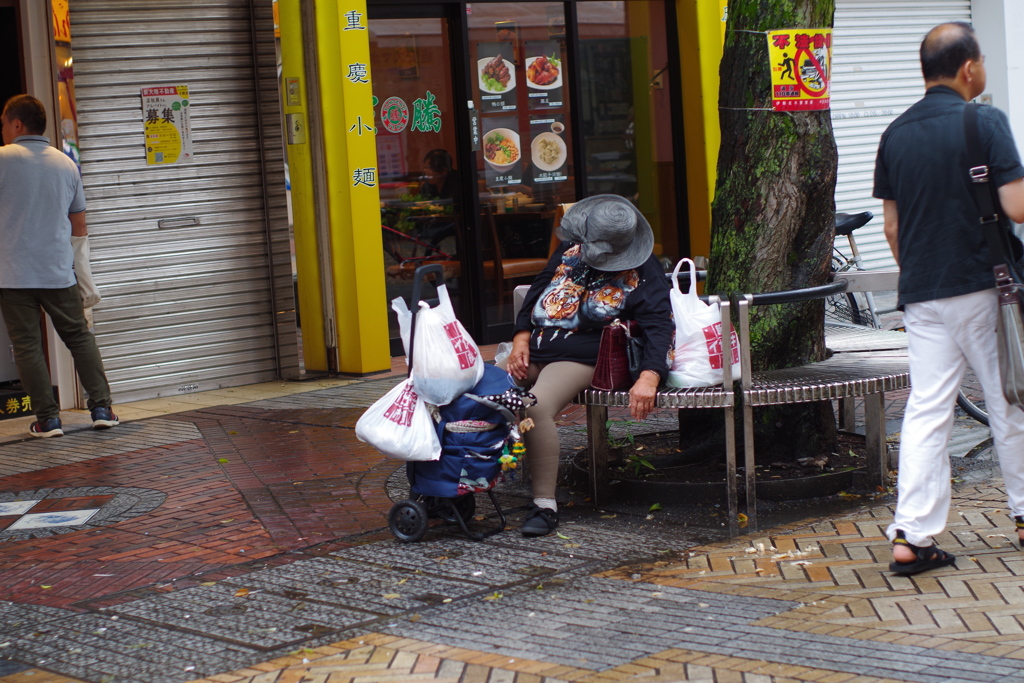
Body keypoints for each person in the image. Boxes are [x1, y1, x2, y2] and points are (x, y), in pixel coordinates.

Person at [873, 23, 1024, 575]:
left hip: (922, 293)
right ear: (969, 69)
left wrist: (921, 272)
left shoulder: (896, 132)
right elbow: (1016, 207)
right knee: (1008, 399)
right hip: (983, 286)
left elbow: (891, 227)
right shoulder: (982, 120)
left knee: (927, 410)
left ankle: (911, 536)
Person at [503, 194, 672, 537]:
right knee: (479, 393)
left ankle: (544, 505)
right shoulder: (570, 248)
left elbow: (660, 325)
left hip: (580, 357)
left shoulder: (645, 267)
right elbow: (540, 287)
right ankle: (457, 485)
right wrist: (521, 337)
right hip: (535, 349)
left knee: (535, 407)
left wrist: (650, 376)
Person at [0, 94, 118, 437]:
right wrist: (82, 271)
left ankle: (48, 419)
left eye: (4, 123)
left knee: (27, 345)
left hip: (13, 272)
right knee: (79, 337)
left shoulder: (3, 159)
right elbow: (79, 225)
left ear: (17, 124)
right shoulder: (66, 164)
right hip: (58, 270)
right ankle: (101, 408)